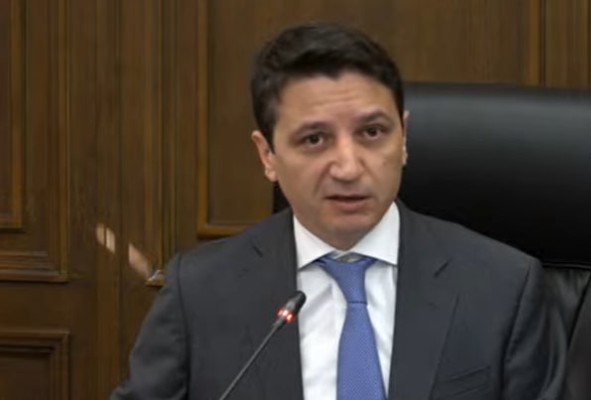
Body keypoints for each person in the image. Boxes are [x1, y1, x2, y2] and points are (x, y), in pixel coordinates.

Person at [112, 22, 565, 400]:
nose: (349, 168)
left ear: (403, 138)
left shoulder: (503, 287)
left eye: (372, 132)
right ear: (267, 155)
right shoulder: (200, 291)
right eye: (314, 139)